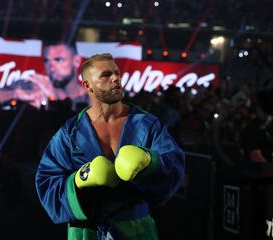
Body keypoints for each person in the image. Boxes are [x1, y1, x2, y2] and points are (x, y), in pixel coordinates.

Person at [35, 53, 185, 239]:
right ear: (87, 85)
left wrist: (150, 162)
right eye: (106, 75)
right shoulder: (70, 132)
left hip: (137, 229)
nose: (115, 78)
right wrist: (80, 179)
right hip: (86, 231)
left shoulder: (147, 124)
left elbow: (175, 165)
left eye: (117, 73)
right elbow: (46, 180)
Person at [0, 42, 88, 111]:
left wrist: (52, 98)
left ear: (76, 61)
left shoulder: (91, 96)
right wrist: (15, 94)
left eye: (58, 60)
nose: (51, 67)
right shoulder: (36, 85)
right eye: (46, 61)